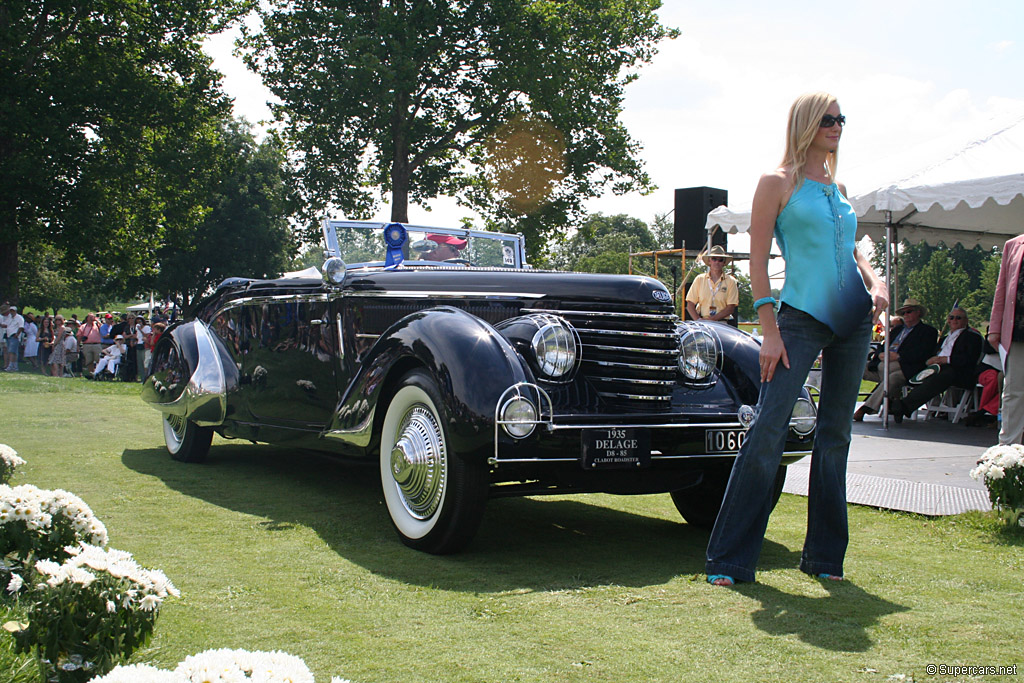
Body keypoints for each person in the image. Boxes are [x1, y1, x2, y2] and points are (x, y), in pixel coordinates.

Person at [705, 93, 887, 587]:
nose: (837, 127)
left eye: (841, 119)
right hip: (799, 318)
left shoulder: (839, 186)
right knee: (767, 430)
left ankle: (825, 557)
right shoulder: (776, 182)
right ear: (806, 124)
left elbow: (851, 249)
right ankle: (729, 560)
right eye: (828, 120)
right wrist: (768, 331)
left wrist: (877, 282)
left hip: (852, 319)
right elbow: (759, 262)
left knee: (836, 437)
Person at [889, 307, 984, 422]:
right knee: (913, 371)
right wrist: (930, 360)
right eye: (951, 317)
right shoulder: (944, 338)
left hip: (958, 371)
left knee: (943, 375)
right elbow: (931, 354)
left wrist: (947, 359)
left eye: (958, 318)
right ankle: (899, 404)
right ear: (948, 320)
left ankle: (903, 405)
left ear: (966, 321)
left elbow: (969, 359)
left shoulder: (972, 337)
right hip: (936, 368)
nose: (954, 320)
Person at [853, 299, 937, 421]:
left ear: (918, 313)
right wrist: (880, 354)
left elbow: (923, 353)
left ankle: (866, 408)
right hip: (884, 365)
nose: (906, 315)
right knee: (856, 368)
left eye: (909, 311)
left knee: (891, 377)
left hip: (907, 367)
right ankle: (892, 401)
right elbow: (882, 345)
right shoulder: (897, 330)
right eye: (903, 313)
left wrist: (899, 356)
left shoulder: (928, 332)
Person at [989, 234, 1024, 444]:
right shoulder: (1013, 245)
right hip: (1018, 329)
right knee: (1014, 391)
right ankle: (1008, 448)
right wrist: (995, 328)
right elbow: (1001, 289)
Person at [685, 245, 740, 324]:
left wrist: (712, 320)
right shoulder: (699, 279)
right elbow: (690, 304)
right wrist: (698, 320)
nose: (717, 262)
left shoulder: (731, 281)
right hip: (702, 323)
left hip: (722, 323)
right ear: (709, 261)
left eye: (720, 260)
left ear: (724, 263)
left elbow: (730, 308)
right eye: (714, 259)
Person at [2, 305, 25, 371]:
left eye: (13, 311)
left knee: (12, 351)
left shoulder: (19, 318)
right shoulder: (9, 317)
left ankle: (11, 366)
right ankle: (15, 366)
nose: (11, 312)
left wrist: (17, 334)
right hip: (9, 336)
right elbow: (5, 325)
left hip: (14, 336)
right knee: (12, 352)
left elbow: (21, 327)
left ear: (15, 311)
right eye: (11, 311)